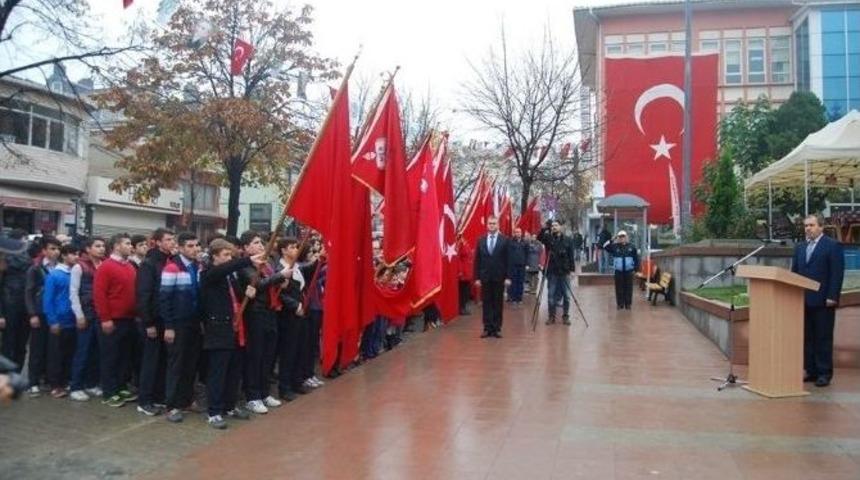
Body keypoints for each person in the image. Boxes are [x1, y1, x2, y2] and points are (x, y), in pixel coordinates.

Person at [200, 239, 265, 429]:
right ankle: (214, 411)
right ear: (214, 256)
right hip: (219, 329)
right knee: (218, 373)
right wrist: (248, 260)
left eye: (230, 255)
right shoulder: (209, 273)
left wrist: (248, 294)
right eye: (225, 255)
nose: (229, 259)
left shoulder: (231, 276)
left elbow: (237, 298)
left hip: (236, 329)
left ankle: (229, 405)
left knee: (233, 371)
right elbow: (221, 271)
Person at [792, 214, 844, 388]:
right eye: (806, 226)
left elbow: (836, 273)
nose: (808, 229)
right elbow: (794, 273)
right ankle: (811, 370)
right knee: (807, 338)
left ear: (821, 227)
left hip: (823, 301)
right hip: (803, 300)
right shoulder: (800, 248)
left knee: (823, 337)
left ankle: (824, 373)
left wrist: (832, 296)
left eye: (811, 225)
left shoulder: (832, 246)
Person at [237, 231, 285, 414]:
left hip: (270, 311)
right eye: (255, 243)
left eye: (260, 242)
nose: (260, 245)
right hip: (255, 313)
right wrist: (280, 277)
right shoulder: (244, 266)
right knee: (255, 356)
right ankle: (253, 396)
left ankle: (264, 392)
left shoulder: (268, 263)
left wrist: (281, 280)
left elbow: (271, 281)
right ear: (246, 247)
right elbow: (257, 284)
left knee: (268, 355)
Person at [159, 232, 203, 422]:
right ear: (182, 247)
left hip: (193, 322)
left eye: (196, 245)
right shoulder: (172, 267)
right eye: (191, 246)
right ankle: (172, 405)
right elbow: (165, 298)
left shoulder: (197, 266)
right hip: (177, 323)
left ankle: (186, 399)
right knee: (176, 364)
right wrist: (169, 326)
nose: (195, 249)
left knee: (190, 363)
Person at [93, 233, 138, 408]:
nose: (131, 246)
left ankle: (120, 386)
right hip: (112, 320)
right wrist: (105, 318)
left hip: (129, 319)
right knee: (110, 357)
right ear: (117, 246)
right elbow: (99, 295)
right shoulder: (106, 267)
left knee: (124, 357)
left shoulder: (130, 267)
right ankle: (109, 391)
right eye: (127, 243)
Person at [135, 228, 174, 415]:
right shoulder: (149, 264)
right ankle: (144, 400)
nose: (172, 242)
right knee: (150, 360)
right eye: (167, 239)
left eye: (172, 239)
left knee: (162, 360)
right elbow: (144, 294)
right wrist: (148, 322)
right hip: (153, 319)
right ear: (158, 242)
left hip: (165, 318)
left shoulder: (169, 261)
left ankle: (158, 396)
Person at [69, 237, 106, 402]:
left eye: (103, 246)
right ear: (88, 249)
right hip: (86, 314)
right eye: (97, 246)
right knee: (82, 351)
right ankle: (76, 386)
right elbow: (73, 293)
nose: (101, 249)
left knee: (96, 351)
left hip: (100, 314)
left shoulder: (104, 265)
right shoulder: (79, 266)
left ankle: (91, 383)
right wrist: (79, 315)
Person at [274, 237, 310, 401]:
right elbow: (279, 293)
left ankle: (296, 381)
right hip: (287, 314)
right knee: (287, 351)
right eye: (292, 247)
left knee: (299, 348)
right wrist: (295, 305)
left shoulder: (297, 267)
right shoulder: (279, 268)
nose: (296, 249)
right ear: (283, 250)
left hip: (300, 313)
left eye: (296, 246)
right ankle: (284, 387)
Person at [24, 236, 61, 395]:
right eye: (52, 249)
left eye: (58, 249)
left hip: (55, 314)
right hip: (39, 313)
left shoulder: (61, 268)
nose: (56, 252)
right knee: (37, 349)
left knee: (52, 349)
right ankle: (32, 382)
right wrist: (32, 314)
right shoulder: (36, 268)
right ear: (44, 251)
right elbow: (29, 292)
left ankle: (48, 379)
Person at [43, 244, 79, 398]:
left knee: (69, 353)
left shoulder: (75, 273)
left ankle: (66, 381)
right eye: (72, 254)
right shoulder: (55, 275)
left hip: (73, 320)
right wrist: (52, 320)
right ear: (64, 256)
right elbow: (48, 300)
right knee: (56, 354)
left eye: (77, 254)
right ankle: (55, 384)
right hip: (59, 320)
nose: (76, 257)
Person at [0, 229, 34, 372]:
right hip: (9, 305)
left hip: (23, 305)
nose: (26, 242)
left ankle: (15, 374)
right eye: (23, 239)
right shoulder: (4, 259)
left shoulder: (28, 257)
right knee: (9, 344)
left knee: (20, 343)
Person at [473, 216, 510, 338]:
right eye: (490, 223)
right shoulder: (481, 240)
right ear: (487, 225)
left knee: (498, 303)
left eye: (494, 223)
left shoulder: (504, 240)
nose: (492, 225)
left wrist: (508, 277)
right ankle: (487, 328)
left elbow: (508, 260)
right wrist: (477, 278)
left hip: (499, 277)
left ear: (498, 225)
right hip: (485, 277)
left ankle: (497, 328)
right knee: (486, 303)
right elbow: (477, 260)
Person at [538, 220, 576, 325]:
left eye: (556, 225)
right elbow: (539, 237)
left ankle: (565, 316)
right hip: (552, 271)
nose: (554, 227)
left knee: (566, 296)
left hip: (564, 271)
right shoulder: (548, 239)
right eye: (552, 225)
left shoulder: (568, 240)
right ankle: (551, 316)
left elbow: (571, 256)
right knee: (551, 295)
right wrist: (545, 227)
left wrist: (572, 270)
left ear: (561, 227)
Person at [603, 230, 639, 310]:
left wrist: (636, 270)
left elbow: (636, 258)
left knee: (629, 288)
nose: (622, 238)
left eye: (623, 236)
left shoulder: (632, 247)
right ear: (618, 238)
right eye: (620, 236)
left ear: (626, 237)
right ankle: (620, 304)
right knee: (619, 288)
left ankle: (628, 304)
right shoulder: (614, 246)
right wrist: (612, 239)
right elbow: (604, 246)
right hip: (618, 272)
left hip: (629, 271)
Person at [506, 228, 528, 304]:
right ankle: (513, 298)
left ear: (521, 233)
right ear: (514, 233)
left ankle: (519, 298)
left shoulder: (525, 242)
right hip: (513, 265)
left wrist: (527, 264)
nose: (517, 233)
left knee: (520, 282)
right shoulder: (510, 242)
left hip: (522, 265)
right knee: (514, 282)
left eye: (519, 232)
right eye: (516, 232)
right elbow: (508, 254)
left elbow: (527, 253)